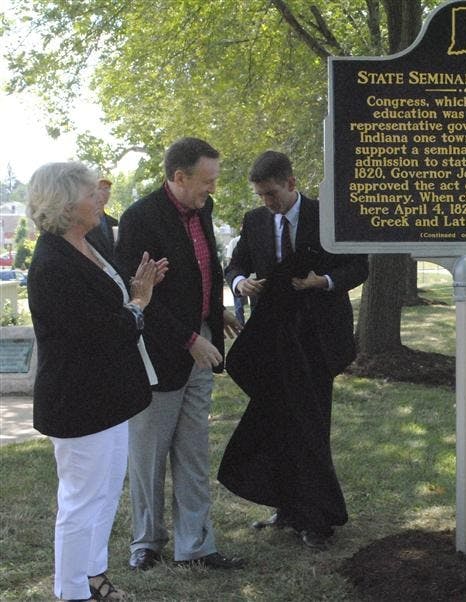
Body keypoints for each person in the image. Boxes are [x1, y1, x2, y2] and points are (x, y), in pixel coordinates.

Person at [26, 162, 167, 601]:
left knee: (104, 495)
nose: (100, 200)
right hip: (77, 401)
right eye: (92, 194)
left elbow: (109, 312)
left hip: (108, 396)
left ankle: (94, 576)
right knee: (80, 503)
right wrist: (140, 301)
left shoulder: (87, 243)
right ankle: (71, 592)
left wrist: (135, 296)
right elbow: (102, 332)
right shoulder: (53, 262)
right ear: (67, 205)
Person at [217, 150, 368, 548]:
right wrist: (240, 285)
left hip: (316, 341)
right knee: (278, 423)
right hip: (273, 341)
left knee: (311, 425)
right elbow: (235, 266)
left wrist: (325, 282)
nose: (267, 202)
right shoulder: (255, 221)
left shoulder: (326, 216)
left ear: (291, 184)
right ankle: (287, 506)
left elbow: (358, 267)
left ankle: (317, 517)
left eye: (272, 194)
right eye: (261, 195)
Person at [116, 137, 243, 571]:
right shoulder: (139, 219)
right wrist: (190, 339)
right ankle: (146, 542)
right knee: (149, 452)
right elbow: (141, 299)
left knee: (193, 450)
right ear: (179, 177)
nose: (211, 189)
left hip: (203, 343)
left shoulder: (202, 210)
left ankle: (196, 546)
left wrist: (215, 310)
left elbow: (205, 269)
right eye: (206, 181)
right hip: (161, 351)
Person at [85, 177, 117, 257]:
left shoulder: (114, 223)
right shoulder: (85, 222)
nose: (105, 192)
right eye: (100, 188)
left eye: (107, 188)